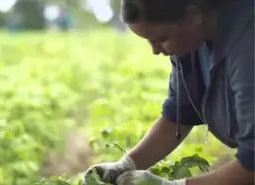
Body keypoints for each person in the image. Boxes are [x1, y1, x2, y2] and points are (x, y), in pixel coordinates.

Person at [82, 0, 255, 185]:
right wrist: (127, 164)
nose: (155, 50)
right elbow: (177, 115)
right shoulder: (191, 42)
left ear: (193, 16)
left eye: (162, 38)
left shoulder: (248, 44)